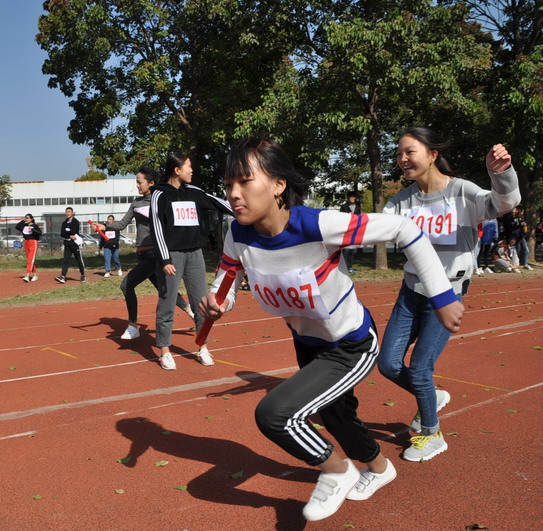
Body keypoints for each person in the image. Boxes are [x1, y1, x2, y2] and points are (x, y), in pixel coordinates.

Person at [199, 137, 464, 522]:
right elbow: (225, 281)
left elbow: (405, 230)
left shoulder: (318, 225)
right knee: (336, 415)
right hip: (307, 343)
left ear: (277, 185)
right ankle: (379, 469)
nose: (233, 194)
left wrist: (441, 296)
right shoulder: (238, 234)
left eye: (244, 181)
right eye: (227, 185)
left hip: (352, 344)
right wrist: (217, 302)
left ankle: (338, 472)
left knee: (275, 414)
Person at [379, 127, 520, 462]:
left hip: (447, 295)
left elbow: (504, 202)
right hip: (410, 293)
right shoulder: (402, 201)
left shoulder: (462, 192)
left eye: (409, 152)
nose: (402, 159)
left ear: (432, 154)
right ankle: (433, 395)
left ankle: (432, 433)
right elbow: (373, 227)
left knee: (420, 368)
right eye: (399, 153)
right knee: (386, 364)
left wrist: (501, 173)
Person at [151, 151, 233, 370]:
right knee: (167, 304)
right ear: (177, 170)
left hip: (195, 254)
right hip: (172, 256)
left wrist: (244, 211)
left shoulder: (193, 191)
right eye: (188, 166)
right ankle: (165, 351)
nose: (192, 170)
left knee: (201, 303)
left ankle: (203, 347)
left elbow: (220, 204)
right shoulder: (160, 195)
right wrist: (165, 259)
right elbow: (157, 229)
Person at [92, 166, 195, 340]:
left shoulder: (161, 201)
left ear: (151, 183)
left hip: (155, 253)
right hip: (142, 255)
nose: (137, 186)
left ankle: (133, 326)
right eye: (137, 183)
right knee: (164, 289)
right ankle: (190, 310)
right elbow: (122, 224)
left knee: (126, 285)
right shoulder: (136, 203)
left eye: (140, 182)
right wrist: (105, 226)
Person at [55, 207, 86, 283]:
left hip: (75, 243)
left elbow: (74, 231)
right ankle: (63, 276)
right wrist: (69, 235)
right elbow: (62, 233)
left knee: (79, 260)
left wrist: (68, 233)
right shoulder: (64, 223)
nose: (68, 213)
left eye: (69, 212)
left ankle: (82, 275)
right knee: (65, 260)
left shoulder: (75, 222)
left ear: (72, 213)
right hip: (67, 244)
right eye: (66, 212)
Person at [14, 213, 42, 282]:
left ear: (31, 219)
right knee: (31, 260)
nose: (27, 219)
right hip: (26, 242)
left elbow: (40, 233)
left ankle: (27, 275)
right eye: (26, 217)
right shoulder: (24, 226)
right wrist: (23, 221)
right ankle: (35, 275)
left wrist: (33, 230)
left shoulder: (34, 226)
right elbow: (17, 226)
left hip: (33, 242)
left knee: (30, 259)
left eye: (28, 218)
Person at [339, 191, 362, 273]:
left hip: (355, 231)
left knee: (352, 251)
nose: (352, 198)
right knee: (346, 250)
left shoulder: (358, 207)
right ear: (348, 198)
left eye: (353, 197)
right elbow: (340, 218)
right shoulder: (343, 207)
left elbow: (360, 218)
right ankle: (344, 268)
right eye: (350, 197)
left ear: (355, 198)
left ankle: (350, 268)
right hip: (346, 230)